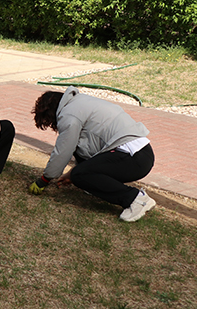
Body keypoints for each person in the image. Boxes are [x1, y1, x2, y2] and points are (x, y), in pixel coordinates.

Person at [29, 88, 156, 222]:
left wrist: (44, 180)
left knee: (80, 174)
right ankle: (94, 185)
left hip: (134, 159)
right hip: (140, 153)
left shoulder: (69, 116)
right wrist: (73, 174)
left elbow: (63, 150)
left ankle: (136, 199)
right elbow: (82, 147)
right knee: (79, 170)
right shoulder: (79, 102)